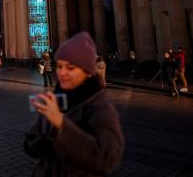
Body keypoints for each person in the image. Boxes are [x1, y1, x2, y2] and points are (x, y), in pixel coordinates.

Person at [25, 32, 124, 176]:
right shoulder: (56, 100)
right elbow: (30, 148)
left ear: (88, 72)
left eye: (70, 68)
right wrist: (45, 127)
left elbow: (107, 159)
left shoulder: (100, 107)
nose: (62, 73)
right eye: (59, 66)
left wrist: (61, 124)